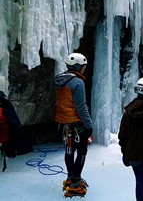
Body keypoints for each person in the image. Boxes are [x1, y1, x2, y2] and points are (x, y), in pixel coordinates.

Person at [54, 52, 93, 197]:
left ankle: (70, 176)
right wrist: (88, 125)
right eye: (82, 66)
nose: (83, 69)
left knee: (69, 150)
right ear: (78, 66)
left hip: (64, 122)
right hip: (76, 122)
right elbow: (81, 106)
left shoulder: (60, 80)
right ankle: (76, 178)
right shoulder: (78, 82)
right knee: (82, 151)